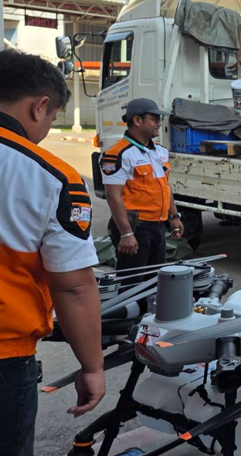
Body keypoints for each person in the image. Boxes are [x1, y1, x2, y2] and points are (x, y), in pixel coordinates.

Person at [0, 50, 105, 455]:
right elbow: (74, 287)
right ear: (39, 106)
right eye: (52, 117)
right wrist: (92, 366)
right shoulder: (51, 176)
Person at [100, 98, 184, 271]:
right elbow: (113, 196)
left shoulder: (160, 151)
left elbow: (165, 187)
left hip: (158, 226)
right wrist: (126, 233)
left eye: (159, 119)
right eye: (154, 119)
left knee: (154, 279)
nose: (159, 124)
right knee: (133, 281)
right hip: (135, 228)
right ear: (137, 120)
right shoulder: (118, 154)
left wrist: (174, 216)